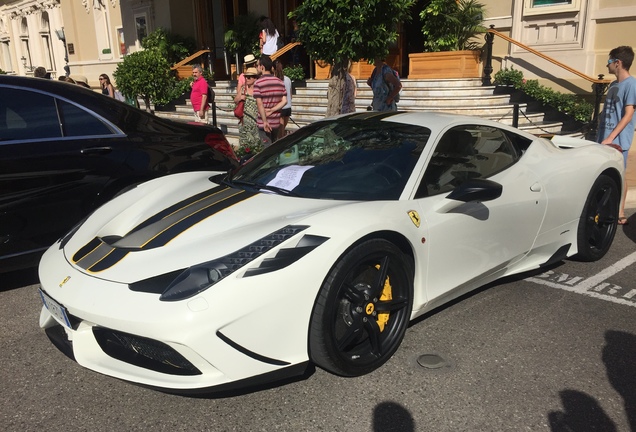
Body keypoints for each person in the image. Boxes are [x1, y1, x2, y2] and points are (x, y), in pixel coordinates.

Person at [597, 45, 636, 225]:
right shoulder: (613, 84)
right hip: (603, 137)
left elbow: (628, 114)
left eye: (609, 61)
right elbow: (609, 111)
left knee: (620, 175)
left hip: (618, 141)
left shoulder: (632, 84)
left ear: (618, 63)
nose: (607, 65)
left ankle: (620, 211)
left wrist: (611, 137)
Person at [253, 55, 287, 145]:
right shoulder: (280, 82)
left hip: (264, 122)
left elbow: (260, 104)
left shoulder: (258, 83)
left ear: (262, 67)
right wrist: (272, 110)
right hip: (276, 121)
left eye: (257, 65)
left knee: (267, 150)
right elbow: (284, 101)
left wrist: (264, 121)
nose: (256, 68)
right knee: (274, 147)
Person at [237, 67, 263, 156]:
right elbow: (235, 100)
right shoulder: (243, 88)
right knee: (244, 149)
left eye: (249, 77)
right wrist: (240, 97)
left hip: (256, 123)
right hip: (244, 123)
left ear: (255, 78)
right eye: (246, 77)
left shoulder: (259, 89)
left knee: (257, 148)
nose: (247, 79)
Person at [274, 59, 292, 138]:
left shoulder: (275, 80)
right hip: (288, 107)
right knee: (282, 130)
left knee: (280, 134)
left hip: (280, 108)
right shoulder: (288, 79)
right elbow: (290, 94)